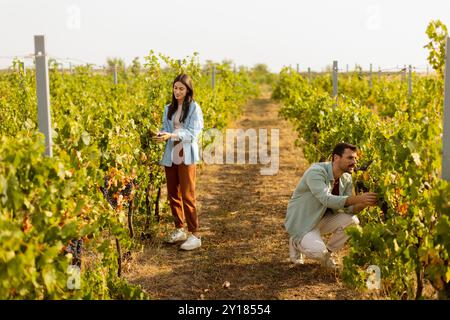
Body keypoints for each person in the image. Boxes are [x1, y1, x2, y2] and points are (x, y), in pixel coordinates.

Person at [285, 142, 377, 269]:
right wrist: (358, 198)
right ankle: (296, 241)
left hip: (321, 219)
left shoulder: (346, 178)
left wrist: (364, 204)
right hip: (303, 222)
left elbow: (348, 208)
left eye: (355, 158)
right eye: (350, 158)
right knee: (318, 252)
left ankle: (327, 255)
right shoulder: (316, 172)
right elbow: (326, 199)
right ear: (336, 158)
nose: (354, 162)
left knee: (353, 222)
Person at [154, 74, 204, 251]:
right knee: (173, 192)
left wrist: (172, 135)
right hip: (171, 151)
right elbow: (166, 128)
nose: (177, 91)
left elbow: (193, 133)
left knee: (187, 193)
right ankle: (179, 229)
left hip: (185, 151)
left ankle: (195, 234)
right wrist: (161, 134)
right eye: (175, 88)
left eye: (181, 88)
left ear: (188, 90)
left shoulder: (193, 108)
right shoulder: (168, 108)